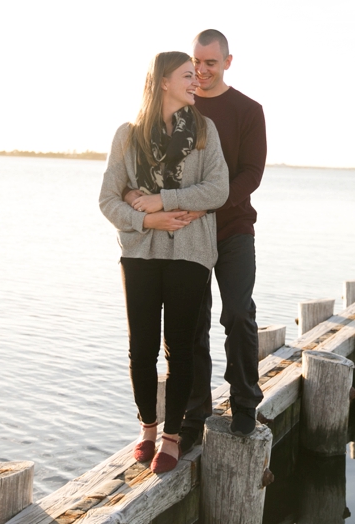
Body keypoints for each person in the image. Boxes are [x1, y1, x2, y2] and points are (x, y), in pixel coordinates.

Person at [124, 29, 267, 447]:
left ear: (227, 62)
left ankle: (244, 403)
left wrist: (208, 206)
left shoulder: (248, 110)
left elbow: (251, 174)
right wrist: (136, 197)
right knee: (190, 328)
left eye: (211, 63)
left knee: (238, 313)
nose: (201, 72)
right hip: (185, 234)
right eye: (196, 63)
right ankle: (194, 411)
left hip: (233, 230)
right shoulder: (178, 105)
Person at [99, 51, 229, 474]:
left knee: (181, 347)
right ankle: (148, 429)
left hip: (190, 252)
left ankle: (172, 436)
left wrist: (162, 198)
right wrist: (147, 218)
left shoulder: (206, 131)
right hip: (139, 252)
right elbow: (108, 199)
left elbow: (217, 191)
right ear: (163, 82)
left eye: (197, 75)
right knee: (141, 349)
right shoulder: (128, 135)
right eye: (187, 76)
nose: (196, 82)